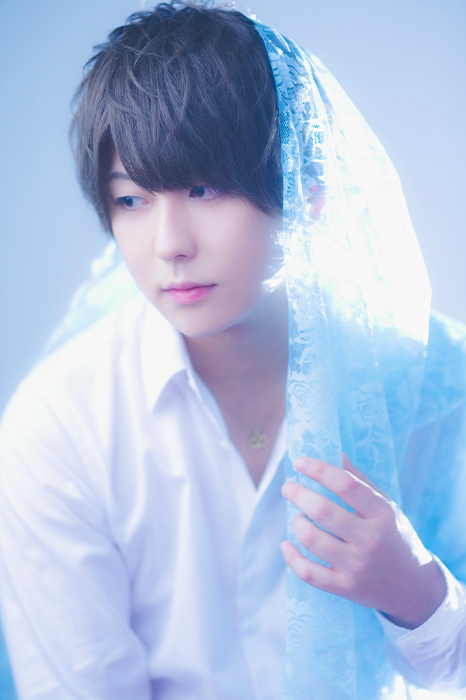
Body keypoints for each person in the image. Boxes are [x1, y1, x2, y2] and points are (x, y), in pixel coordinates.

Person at [0, 2, 465, 698]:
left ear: (306, 190)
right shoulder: (61, 426)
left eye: (202, 188)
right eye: (132, 200)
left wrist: (417, 591)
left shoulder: (436, 376)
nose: (169, 244)